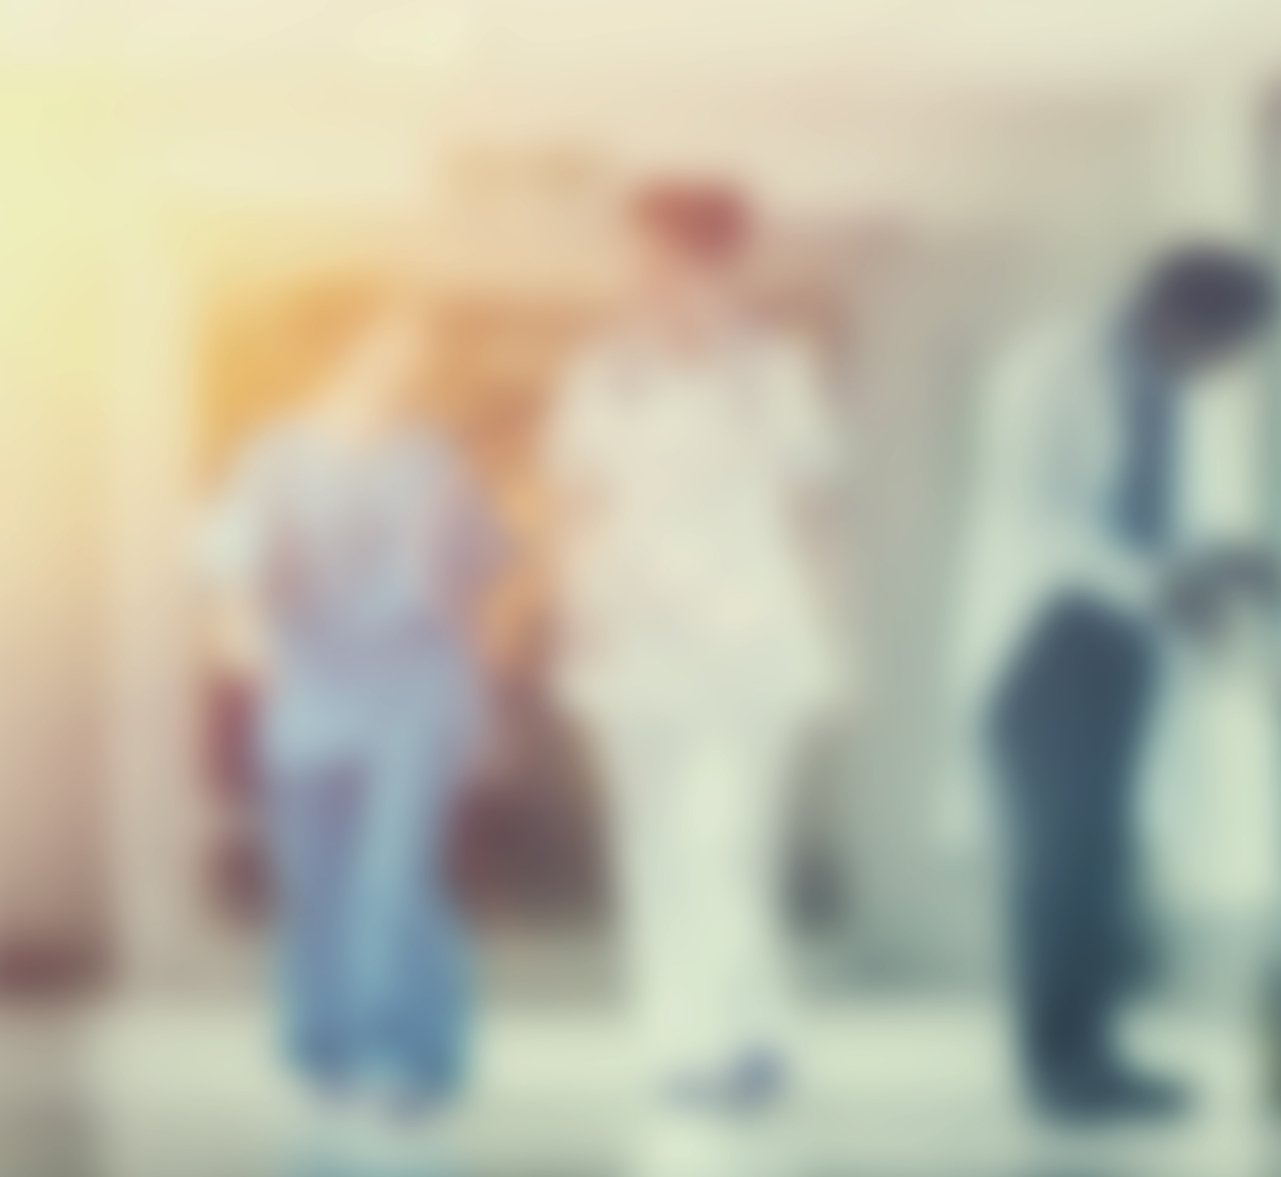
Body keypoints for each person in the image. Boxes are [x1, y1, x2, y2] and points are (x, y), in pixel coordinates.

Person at [540, 179, 848, 1116]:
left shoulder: (775, 370)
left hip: (749, 637)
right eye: (640, 262)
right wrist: (577, 610)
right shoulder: (601, 373)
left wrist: (828, 630)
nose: (651, 280)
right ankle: (699, 1041)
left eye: (671, 262)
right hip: (634, 637)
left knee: (726, 839)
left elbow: (809, 509)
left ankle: (731, 1036)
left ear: (720, 266)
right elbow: (576, 502)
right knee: (655, 846)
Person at [956, 245, 1276, 1120]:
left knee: (1100, 860)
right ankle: (1063, 1065)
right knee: (1062, 862)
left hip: (1121, 644)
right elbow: (1043, 516)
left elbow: (1151, 522)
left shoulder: (1167, 389)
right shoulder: (1051, 372)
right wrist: (1165, 583)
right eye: (1226, 345)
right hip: (1044, 642)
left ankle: (1092, 1053)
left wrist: (1219, 567)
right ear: (1182, 315)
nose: (1223, 369)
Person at [199, 284, 499, 1166]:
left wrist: (478, 701)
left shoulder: (434, 453)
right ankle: (323, 1052)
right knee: (317, 881)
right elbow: (233, 563)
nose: (407, 361)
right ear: (342, 346)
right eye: (391, 341)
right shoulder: (272, 454)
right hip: (309, 691)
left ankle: (416, 1059)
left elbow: (467, 581)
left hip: (416, 687)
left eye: (415, 347)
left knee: (396, 878)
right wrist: (241, 623)